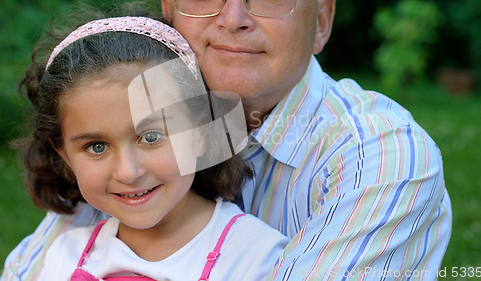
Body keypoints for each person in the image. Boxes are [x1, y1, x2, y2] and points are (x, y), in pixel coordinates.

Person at [2, 0, 452, 280]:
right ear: (169, 18)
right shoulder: (130, 124)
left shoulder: (378, 157)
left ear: (321, 21)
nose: (233, 17)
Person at [14, 15, 288, 280]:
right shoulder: (62, 258)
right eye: (97, 147)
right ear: (65, 157)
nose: (127, 172)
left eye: (151, 137)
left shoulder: (258, 258)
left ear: (201, 131)